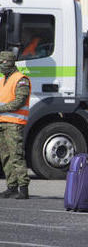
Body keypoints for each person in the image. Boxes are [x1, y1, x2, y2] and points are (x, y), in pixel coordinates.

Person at [0, 51, 31, 199]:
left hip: (14, 123)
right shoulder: (2, 79)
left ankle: (23, 188)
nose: (0, 65)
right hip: (3, 122)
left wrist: (1, 109)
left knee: (16, 155)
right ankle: (11, 186)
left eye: (2, 62)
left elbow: (20, 101)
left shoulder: (21, 79)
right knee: (5, 156)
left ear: (10, 63)